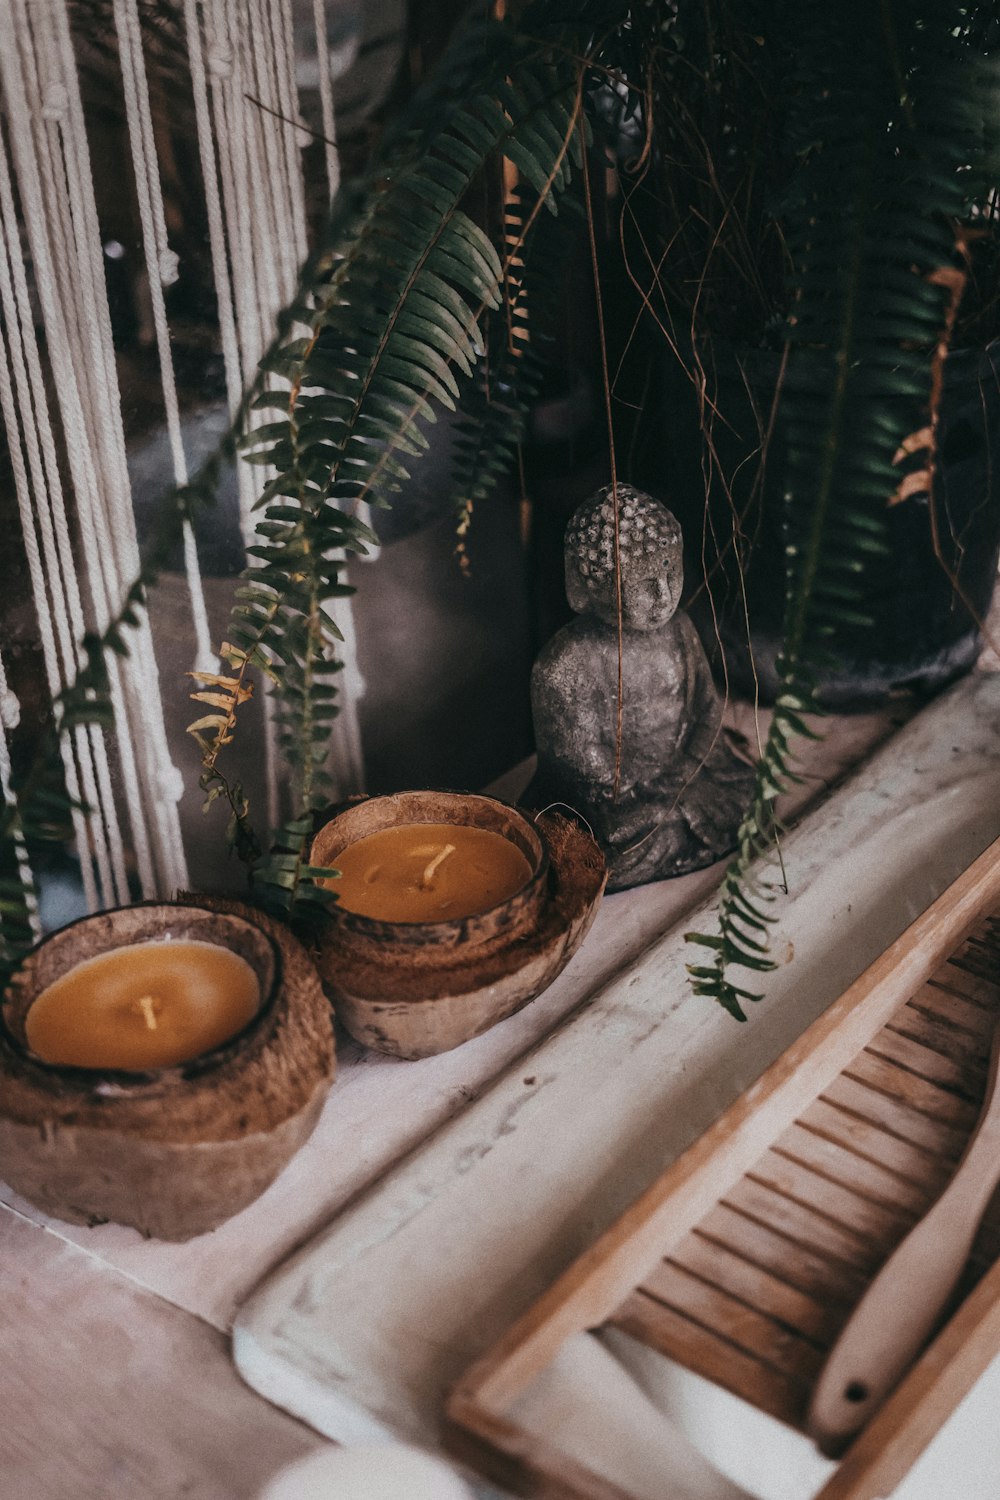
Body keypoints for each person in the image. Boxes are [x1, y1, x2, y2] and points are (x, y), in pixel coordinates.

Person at [530, 484, 754, 890]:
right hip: (616, 801)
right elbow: (578, 757)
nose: (664, 595)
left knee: (749, 796)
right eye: (644, 582)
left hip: (685, 775)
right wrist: (640, 794)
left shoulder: (681, 629)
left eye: (671, 571)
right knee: (606, 851)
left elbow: (707, 706)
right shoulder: (566, 662)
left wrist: (682, 774)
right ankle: (667, 823)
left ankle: (671, 818)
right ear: (593, 585)